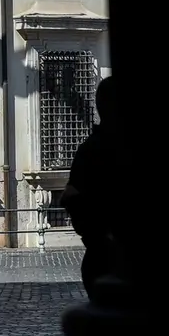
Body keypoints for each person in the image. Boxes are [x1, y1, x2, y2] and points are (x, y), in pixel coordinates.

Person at [61, 75, 123, 297]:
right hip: (107, 261)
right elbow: (72, 198)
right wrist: (103, 239)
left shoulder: (90, 149)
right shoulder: (95, 150)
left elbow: (70, 198)